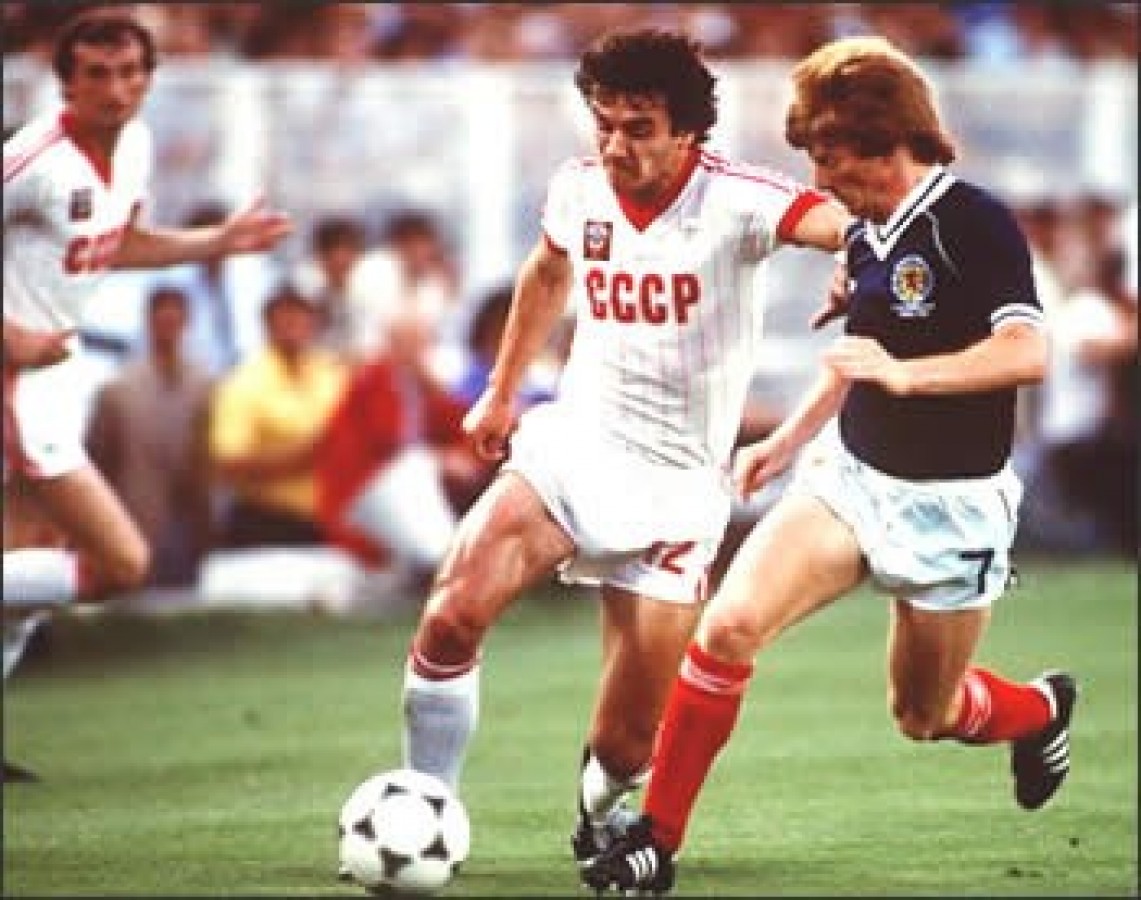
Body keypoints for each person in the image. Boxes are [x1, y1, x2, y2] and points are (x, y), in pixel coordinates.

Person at [582, 36, 1076, 896]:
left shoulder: (971, 222)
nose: (817, 176)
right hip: (849, 479)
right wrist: (787, 439)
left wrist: (907, 375)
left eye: (827, 154)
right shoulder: (868, 233)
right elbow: (860, 353)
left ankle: (1038, 711)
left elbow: (1025, 352)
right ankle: (654, 840)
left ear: (883, 143)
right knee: (728, 628)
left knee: (924, 714)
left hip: (952, 506)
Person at [395, 27, 850, 882]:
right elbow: (545, 274)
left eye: (638, 128)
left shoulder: (737, 200)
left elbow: (835, 223)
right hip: (577, 443)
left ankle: (599, 803)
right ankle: (424, 809)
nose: (614, 146)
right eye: (603, 123)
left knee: (627, 739)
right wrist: (500, 392)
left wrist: (856, 258)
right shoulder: (578, 188)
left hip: (680, 486)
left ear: (687, 133)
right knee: (452, 613)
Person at [2, 13, 291, 781]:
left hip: (54, 377)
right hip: (15, 383)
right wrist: (9, 336)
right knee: (120, 564)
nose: (116, 89)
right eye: (97, 73)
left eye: (130, 72)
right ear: (66, 82)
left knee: (24, 574)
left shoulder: (133, 146)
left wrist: (214, 242)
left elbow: (116, 244)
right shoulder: (32, 159)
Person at [85, 285, 215, 588]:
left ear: (186, 323)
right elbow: (99, 459)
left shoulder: (205, 385)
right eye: (162, 319)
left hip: (189, 521)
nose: (168, 327)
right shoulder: (118, 388)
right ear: (149, 321)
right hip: (134, 515)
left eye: (175, 319)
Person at [208, 281, 348, 549]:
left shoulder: (331, 373)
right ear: (268, 323)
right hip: (268, 522)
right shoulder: (244, 382)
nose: (293, 323)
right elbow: (228, 463)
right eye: (284, 315)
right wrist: (299, 458)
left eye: (301, 314)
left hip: (328, 521)